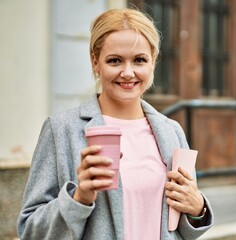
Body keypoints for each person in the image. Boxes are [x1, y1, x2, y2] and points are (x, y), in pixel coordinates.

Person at [17, 8, 213, 240]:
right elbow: (30, 230)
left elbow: (180, 227)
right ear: (95, 61)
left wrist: (198, 208)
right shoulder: (61, 130)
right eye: (115, 60)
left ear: (153, 61)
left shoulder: (171, 130)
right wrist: (79, 198)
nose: (128, 72)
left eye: (139, 60)